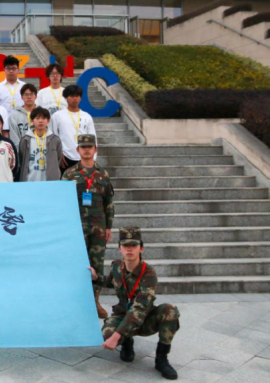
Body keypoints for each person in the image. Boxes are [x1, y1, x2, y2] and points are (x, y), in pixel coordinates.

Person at [90, 227, 180, 380]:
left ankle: (161, 359)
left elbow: (140, 308)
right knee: (106, 335)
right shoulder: (116, 266)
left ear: (141, 248)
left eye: (134, 245)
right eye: (125, 246)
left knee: (170, 311)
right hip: (123, 314)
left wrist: (117, 336)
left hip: (145, 318)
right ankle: (127, 343)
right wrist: (96, 278)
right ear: (119, 249)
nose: (129, 249)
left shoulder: (149, 273)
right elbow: (111, 282)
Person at [62, 134, 114, 319]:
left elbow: (108, 203)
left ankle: (95, 301)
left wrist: (108, 227)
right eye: (83, 147)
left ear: (95, 150)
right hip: (77, 227)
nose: (86, 150)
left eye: (89, 147)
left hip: (98, 227)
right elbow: (63, 202)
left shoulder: (103, 174)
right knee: (77, 264)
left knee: (97, 264)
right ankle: (76, 301)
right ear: (77, 150)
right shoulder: (69, 174)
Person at [51, 84, 96, 173]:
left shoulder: (87, 116)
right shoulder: (57, 116)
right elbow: (53, 136)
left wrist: (93, 158)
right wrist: (58, 154)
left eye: (77, 96)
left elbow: (93, 138)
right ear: (66, 98)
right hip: (65, 157)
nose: (75, 98)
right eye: (71, 96)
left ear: (80, 98)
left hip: (84, 157)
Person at [18, 107, 62, 182]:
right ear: (32, 121)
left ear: (48, 120)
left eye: (44, 118)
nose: (40, 121)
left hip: (50, 182)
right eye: (37, 118)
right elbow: (22, 160)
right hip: (30, 181)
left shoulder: (55, 140)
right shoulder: (25, 140)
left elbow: (58, 159)